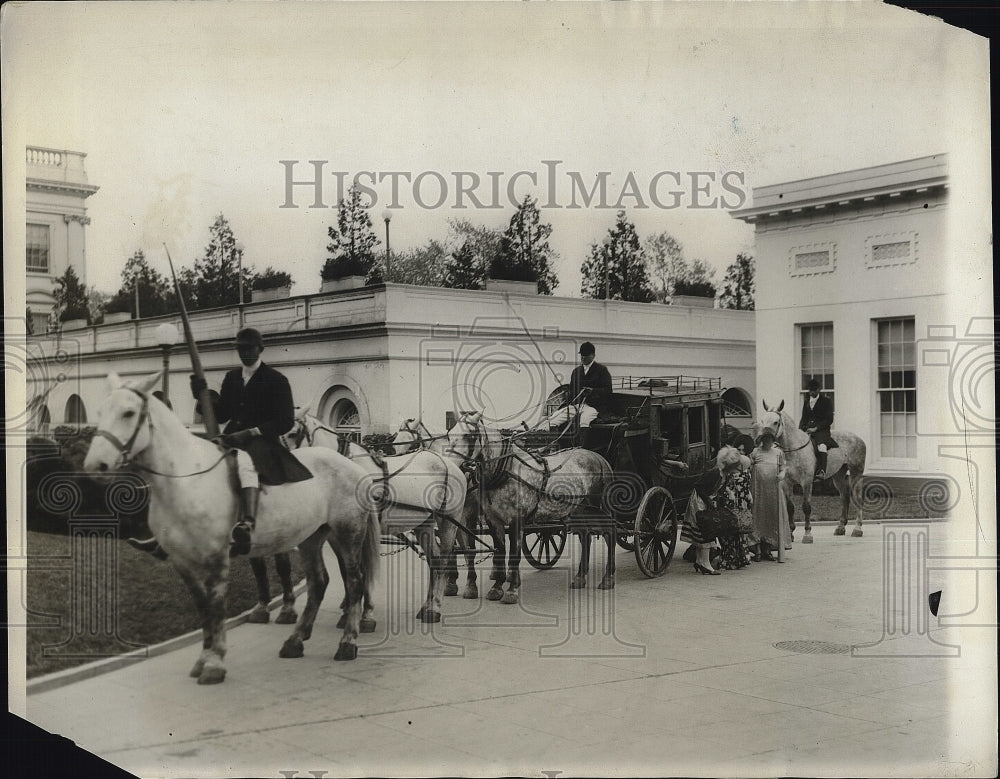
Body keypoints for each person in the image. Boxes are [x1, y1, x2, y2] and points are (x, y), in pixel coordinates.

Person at [129, 328, 309, 559]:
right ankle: (169, 532)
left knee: (245, 463)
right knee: (197, 463)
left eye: (250, 348)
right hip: (232, 437)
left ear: (260, 349)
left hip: (262, 443)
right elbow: (222, 414)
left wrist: (252, 432)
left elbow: (284, 420)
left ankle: (247, 522)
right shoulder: (232, 378)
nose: (245, 353)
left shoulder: (277, 380)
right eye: (241, 349)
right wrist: (201, 396)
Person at [680, 447, 748, 575]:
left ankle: (700, 561)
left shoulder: (724, 474)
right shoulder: (715, 472)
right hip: (700, 502)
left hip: (708, 501)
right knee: (706, 532)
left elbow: (719, 490)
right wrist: (709, 502)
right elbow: (699, 487)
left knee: (704, 531)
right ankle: (705, 564)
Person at [546, 341, 613, 444]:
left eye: (586, 355)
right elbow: (572, 390)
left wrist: (593, 391)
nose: (583, 358)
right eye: (581, 355)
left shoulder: (601, 370)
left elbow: (608, 391)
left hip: (594, 406)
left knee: (585, 420)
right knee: (554, 418)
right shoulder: (576, 371)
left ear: (593, 355)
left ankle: (581, 448)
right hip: (577, 405)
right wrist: (568, 395)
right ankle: (552, 446)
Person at [750, 429, 789, 562]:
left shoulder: (778, 453)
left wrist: (782, 474)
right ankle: (758, 551)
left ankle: (767, 549)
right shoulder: (755, 452)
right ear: (761, 441)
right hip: (758, 490)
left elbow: (783, 467)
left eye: (769, 440)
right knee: (758, 516)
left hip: (773, 490)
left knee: (772, 517)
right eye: (764, 440)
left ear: (773, 441)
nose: (767, 443)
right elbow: (749, 467)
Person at [714, 447, 754, 570]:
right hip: (728, 502)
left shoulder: (745, 463)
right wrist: (728, 491)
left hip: (742, 501)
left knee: (740, 530)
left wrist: (749, 494)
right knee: (728, 531)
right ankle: (728, 558)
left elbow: (747, 483)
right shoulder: (723, 469)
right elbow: (720, 486)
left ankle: (739, 558)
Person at [799, 378, 834, 479]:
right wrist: (800, 430)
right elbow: (803, 418)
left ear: (819, 390)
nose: (812, 392)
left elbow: (829, 419)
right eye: (810, 390)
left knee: (822, 446)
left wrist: (816, 428)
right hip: (808, 430)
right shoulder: (806, 402)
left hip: (822, 431)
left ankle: (822, 471)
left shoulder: (826, 401)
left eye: (814, 390)